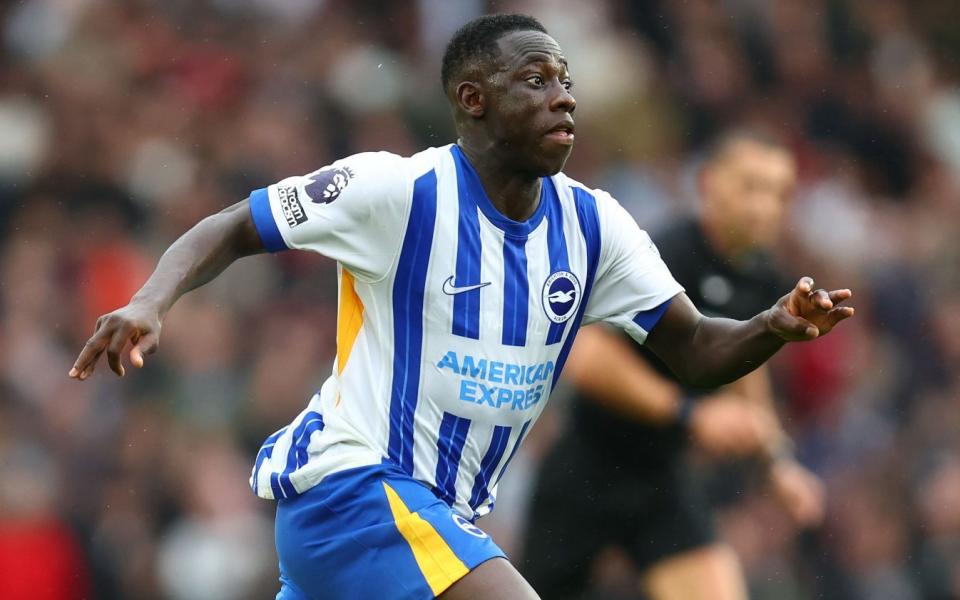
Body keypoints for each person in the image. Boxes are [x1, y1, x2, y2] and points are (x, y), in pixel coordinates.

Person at [68, 14, 853, 600]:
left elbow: (695, 349)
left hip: (436, 516)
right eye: (536, 81)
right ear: (473, 100)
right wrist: (149, 301)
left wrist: (772, 327)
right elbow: (236, 224)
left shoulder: (594, 225)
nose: (564, 99)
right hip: (356, 491)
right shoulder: (397, 191)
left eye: (566, 80)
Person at [521, 129, 826, 600]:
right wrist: (690, 413)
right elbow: (588, 356)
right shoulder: (665, 252)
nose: (763, 206)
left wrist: (776, 462)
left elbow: (746, 365)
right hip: (588, 467)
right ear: (707, 183)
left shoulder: (762, 274)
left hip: (663, 476)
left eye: (777, 193)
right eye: (750, 187)